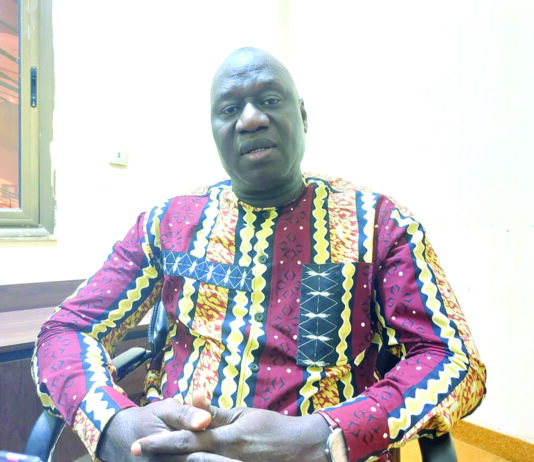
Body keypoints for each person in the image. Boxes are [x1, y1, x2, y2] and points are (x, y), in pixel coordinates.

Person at [32, 47, 486, 462]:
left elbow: (455, 360)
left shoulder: (378, 224)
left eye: (269, 100)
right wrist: (113, 423)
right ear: (214, 131)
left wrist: (322, 435)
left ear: (302, 115)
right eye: (230, 109)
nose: (250, 120)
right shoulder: (169, 223)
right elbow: (65, 331)